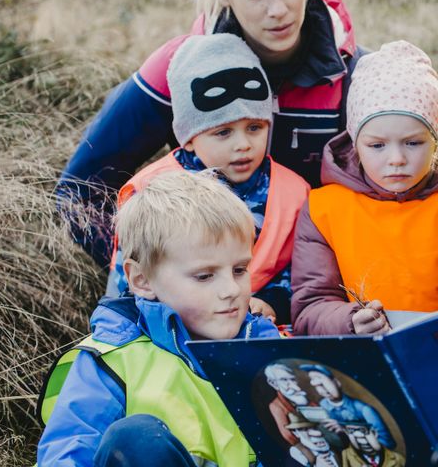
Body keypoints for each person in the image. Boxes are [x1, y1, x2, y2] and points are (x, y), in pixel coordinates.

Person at [56, 0, 365, 270]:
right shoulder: (177, 70)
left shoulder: (355, 75)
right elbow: (78, 193)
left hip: (319, 304)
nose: (278, 9)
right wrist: (158, 277)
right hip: (199, 315)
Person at [36, 171, 279, 466]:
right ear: (141, 280)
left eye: (240, 270)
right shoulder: (110, 360)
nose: (231, 290)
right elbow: (67, 452)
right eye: (204, 276)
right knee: (137, 439)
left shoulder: (269, 350)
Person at [108, 33, 310, 324]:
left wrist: (272, 302)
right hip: (172, 334)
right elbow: (127, 288)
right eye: (223, 132)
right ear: (189, 138)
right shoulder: (148, 191)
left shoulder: (295, 193)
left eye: (254, 127)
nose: (243, 144)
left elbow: (303, 275)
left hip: (266, 331)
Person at [291, 41, 438, 336]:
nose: (396, 160)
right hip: (360, 364)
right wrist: (349, 320)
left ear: (436, 141)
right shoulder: (323, 209)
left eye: (413, 143)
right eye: (377, 145)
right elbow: (309, 306)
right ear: (355, 143)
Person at [300, 364, 396, 449]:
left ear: (337, 383)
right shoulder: (322, 405)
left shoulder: (364, 409)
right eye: (317, 386)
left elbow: (387, 443)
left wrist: (347, 431)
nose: (324, 390)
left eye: (324, 383)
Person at [340, 421, 406, 467]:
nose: (358, 436)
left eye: (363, 430)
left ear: (375, 433)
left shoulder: (397, 458)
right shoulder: (347, 455)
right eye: (351, 431)